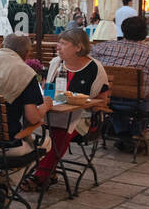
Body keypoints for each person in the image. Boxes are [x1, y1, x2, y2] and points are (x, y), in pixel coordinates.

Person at [0, 33, 53, 205]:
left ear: (2, 46)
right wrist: (46, 106)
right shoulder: (24, 73)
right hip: (5, 145)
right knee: (46, 142)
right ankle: (0, 181)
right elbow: (32, 117)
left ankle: (2, 187)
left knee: (26, 141)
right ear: (26, 53)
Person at [25, 29, 109, 192]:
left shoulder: (94, 68)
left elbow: (102, 100)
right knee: (31, 127)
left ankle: (41, 176)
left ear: (78, 47)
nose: (58, 47)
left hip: (83, 117)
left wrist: (83, 104)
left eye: (63, 43)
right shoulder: (56, 64)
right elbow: (48, 90)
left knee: (60, 134)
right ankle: (45, 170)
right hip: (54, 113)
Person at [91, 16, 149, 153]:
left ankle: (123, 134)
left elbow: (91, 66)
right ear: (145, 33)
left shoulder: (102, 48)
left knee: (115, 101)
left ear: (122, 30)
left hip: (108, 99)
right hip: (139, 103)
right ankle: (133, 134)